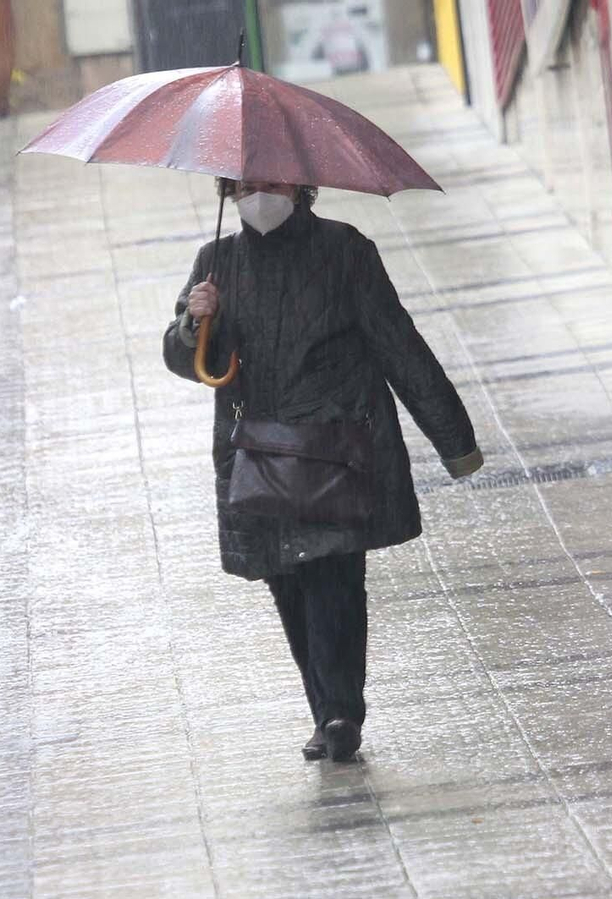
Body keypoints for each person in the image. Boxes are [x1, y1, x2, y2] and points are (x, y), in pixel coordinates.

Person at [164, 179, 483, 763]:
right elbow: (188, 358)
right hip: (257, 453)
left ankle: (340, 712)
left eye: (272, 180)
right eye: (247, 183)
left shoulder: (345, 250)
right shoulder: (217, 261)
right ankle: (325, 711)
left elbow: (399, 347)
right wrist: (193, 318)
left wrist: (454, 441)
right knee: (287, 581)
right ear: (229, 189)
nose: (260, 193)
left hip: (335, 448)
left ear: (301, 185)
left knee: (334, 579)